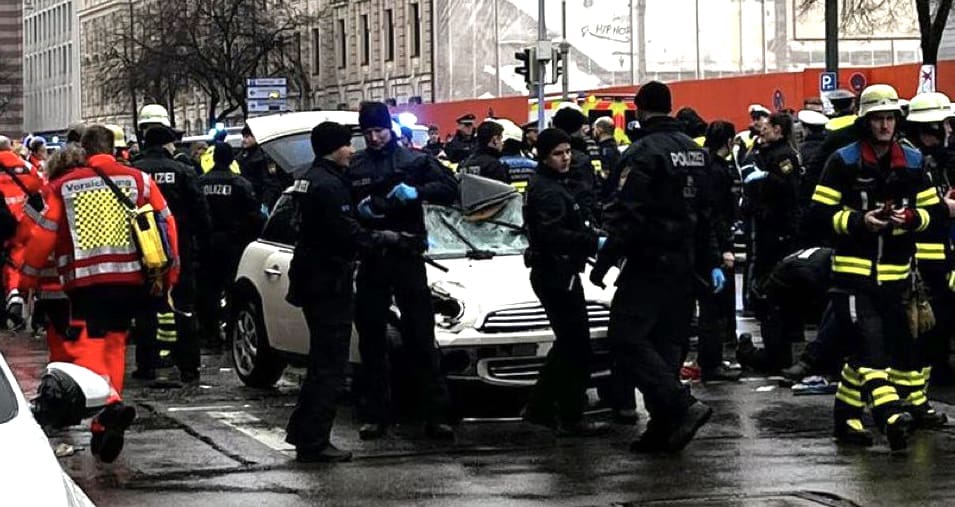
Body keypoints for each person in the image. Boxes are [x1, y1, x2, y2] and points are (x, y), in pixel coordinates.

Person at [20, 125, 180, 463]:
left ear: (85, 151)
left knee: (89, 346)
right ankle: (106, 418)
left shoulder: (66, 186)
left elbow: (43, 238)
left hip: (87, 282)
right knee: (116, 344)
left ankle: (108, 406)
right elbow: (167, 225)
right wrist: (170, 274)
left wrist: (27, 278)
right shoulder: (138, 180)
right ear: (115, 147)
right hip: (132, 279)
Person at [808, 84, 948, 450]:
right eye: (878, 119)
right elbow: (819, 216)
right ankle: (890, 416)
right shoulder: (843, 161)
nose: (885, 125)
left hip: (897, 278)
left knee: (869, 353)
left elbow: (933, 213)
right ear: (866, 122)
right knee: (872, 351)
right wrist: (858, 221)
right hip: (853, 278)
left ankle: (846, 420)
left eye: (889, 118)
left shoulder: (913, 163)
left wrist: (912, 217)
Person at [591, 81, 724, 453]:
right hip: (686, 266)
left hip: (649, 262)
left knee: (625, 338)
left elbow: (626, 215)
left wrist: (604, 262)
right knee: (666, 344)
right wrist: (711, 260)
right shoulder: (695, 153)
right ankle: (664, 428)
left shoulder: (642, 152)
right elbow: (706, 214)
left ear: (641, 109)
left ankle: (681, 406)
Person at [284, 121, 414, 463]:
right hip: (328, 281)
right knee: (330, 363)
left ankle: (303, 432)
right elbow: (345, 232)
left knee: (320, 361)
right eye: (347, 145)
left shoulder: (306, 177)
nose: (352, 151)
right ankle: (314, 441)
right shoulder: (328, 185)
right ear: (333, 148)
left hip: (310, 277)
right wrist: (387, 239)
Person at [349, 101, 458, 440]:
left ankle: (435, 414)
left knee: (421, 336)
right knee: (371, 339)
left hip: (406, 254)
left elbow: (450, 190)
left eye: (379, 131)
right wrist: (360, 211)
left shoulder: (414, 160)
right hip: (372, 256)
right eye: (368, 132)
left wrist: (417, 192)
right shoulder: (356, 165)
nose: (374, 137)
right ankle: (376, 413)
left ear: (390, 129)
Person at [520, 128, 610, 436]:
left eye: (568, 152)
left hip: (559, 271)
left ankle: (551, 408)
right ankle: (550, 408)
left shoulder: (554, 184)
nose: (566, 158)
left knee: (572, 343)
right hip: (556, 273)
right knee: (574, 344)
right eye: (558, 154)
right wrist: (591, 241)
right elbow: (552, 234)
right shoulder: (547, 190)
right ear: (544, 156)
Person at [130, 125, 212, 383]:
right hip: (180, 248)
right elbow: (201, 212)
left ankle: (147, 365)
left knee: (145, 308)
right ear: (167, 145)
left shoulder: (135, 171)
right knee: (184, 307)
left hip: (143, 249)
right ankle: (188, 365)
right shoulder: (184, 171)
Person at [897, 92, 955, 424]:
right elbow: (927, 209)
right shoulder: (913, 160)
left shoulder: (925, 157)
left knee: (929, 329)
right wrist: (946, 208)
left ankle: (917, 400)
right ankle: (912, 402)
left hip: (932, 261)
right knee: (921, 331)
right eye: (943, 124)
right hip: (918, 261)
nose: (947, 130)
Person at [197, 142, 263, 348]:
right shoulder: (240, 184)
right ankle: (231, 332)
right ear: (231, 160)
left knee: (208, 291)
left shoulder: (201, 182)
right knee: (232, 289)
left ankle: (210, 334)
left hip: (206, 244)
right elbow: (253, 215)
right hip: (234, 244)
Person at [742, 111, 801, 319]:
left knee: (774, 266)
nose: (762, 131)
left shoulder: (784, 155)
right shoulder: (767, 151)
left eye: (766, 127)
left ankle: (775, 309)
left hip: (779, 223)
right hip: (766, 220)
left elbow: (790, 188)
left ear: (778, 130)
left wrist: (766, 177)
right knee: (763, 265)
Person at [697, 121, 742, 382]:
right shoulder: (718, 170)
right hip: (714, 245)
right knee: (713, 308)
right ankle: (711, 363)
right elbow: (717, 215)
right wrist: (724, 249)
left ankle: (710, 360)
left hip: (705, 242)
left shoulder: (705, 165)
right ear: (728, 141)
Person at [0, 135, 44, 329]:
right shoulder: (26, 167)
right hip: (26, 221)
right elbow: (41, 188)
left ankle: (12, 295)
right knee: (24, 259)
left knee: (8, 262)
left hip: (3, 222)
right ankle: (22, 295)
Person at [238, 125, 290, 211]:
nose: (244, 140)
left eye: (247, 137)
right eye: (243, 137)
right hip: (247, 198)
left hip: (259, 197)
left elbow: (271, 182)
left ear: (255, 138)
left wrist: (265, 203)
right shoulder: (242, 155)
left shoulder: (264, 157)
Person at [593, 116, 622, 201]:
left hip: (605, 196)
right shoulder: (615, 148)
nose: (593, 132)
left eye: (594, 129)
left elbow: (604, 174)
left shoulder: (604, 150)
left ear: (600, 129)